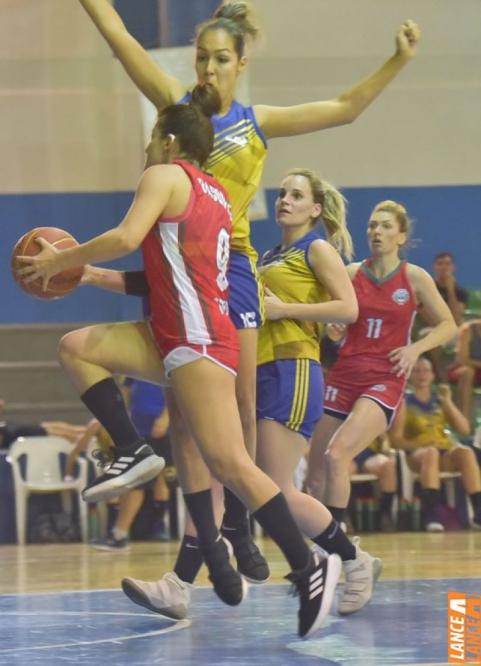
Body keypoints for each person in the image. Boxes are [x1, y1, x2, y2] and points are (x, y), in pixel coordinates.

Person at [76, 0, 421, 592]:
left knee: (233, 421)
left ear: (241, 63)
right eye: (201, 59)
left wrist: (396, 59)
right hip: (173, 267)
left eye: (220, 60)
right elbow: (117, 32)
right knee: (184, 424)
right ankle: (204, 552)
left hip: (228, 269)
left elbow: (344, 109)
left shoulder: (257, 121)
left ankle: (236, 527)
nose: (208, 70)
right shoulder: (175, 108)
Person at [16, 91, 341, 639]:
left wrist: (62, 259)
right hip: (180, 333)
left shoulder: (164, 175)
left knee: (232, 464)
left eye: (151, 138)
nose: (146, 148)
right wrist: (93, 277)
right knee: (76, 347)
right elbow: (167, 274)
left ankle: (311, 569)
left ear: (169, 141)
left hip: (194, 338)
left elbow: (124, 237)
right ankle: (134, 451)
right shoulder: (214, 193)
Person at [255, 168, 382, 616]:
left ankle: (352, 560)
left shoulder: (317, 247)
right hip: (259, 370)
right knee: (259, 486)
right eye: (281, 193)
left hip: (293, 368)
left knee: (275, 490)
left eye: (296, 195)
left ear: (315, 208)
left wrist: (284, 308)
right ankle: (322, 559)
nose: (284, 200)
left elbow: (348, 308)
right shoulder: (270, 253)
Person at [306, 200, 457, 529]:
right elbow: (327, 318)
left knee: (337, 455)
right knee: (315, 474)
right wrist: (333, 330)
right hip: (344, 374)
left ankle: (336, 548)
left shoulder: (414, 278)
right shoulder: (350, 274)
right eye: (373, 225)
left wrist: (415, 349)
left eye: (386, 226)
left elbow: (448, 324)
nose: (377, 231)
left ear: (401, 236)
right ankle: (328, 552)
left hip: (384, 378)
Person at [390, 356, 481, 531]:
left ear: (433, 375)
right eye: (416, 371)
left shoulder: (439, 400)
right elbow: (396, 440)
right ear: (409, 375)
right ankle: (432, 514)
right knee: (430, 453)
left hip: (443, 453)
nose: (421, 375)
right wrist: (420, 445)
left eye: (426, 371)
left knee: (465, 452)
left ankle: (479, 511)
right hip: (417, 456)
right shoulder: (403, 402)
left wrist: (447, 403)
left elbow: (464, 429)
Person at [350, 435, 397, 532]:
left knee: (388, 465)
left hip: (369, 453)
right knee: (340, 469)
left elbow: (384, 438)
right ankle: (344, 517)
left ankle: (385, 514)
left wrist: (385, 444)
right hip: (346, 453)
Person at [448, 319, 481, 422]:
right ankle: (463, 420)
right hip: (462, 368)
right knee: (468, 372)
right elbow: (462, 359)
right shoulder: (468, 329)